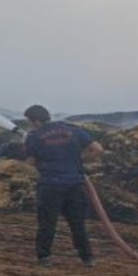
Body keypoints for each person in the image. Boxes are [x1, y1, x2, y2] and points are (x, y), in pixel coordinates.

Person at [22, 104, 104, 267]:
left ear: (36, 121)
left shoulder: (34, 136)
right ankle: (87, 258)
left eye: (29, 122)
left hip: (50, 185)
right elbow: (97, 149)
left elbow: (31, 163)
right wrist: (78, 161)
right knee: (77, 222)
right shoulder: (72, 129)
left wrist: (25, 144)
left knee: (47, 222)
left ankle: (44, 257)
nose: (28, 126)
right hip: (75, 184)